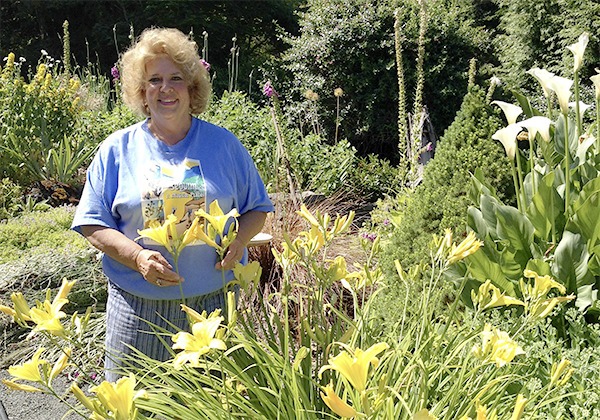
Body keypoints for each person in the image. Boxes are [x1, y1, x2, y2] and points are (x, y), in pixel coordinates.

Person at [71, 27, 274, 381]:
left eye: (176, 78)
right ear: (141, 91)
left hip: (213, 307)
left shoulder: (223, 144)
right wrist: (136, 257)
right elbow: (91, 222)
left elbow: (256, 207)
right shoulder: (117, 150)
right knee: (135, 407)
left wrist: (239, 241)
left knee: (212, 407)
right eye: (154, 80)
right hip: (138, 310)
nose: (165, 88)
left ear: (192, 88)